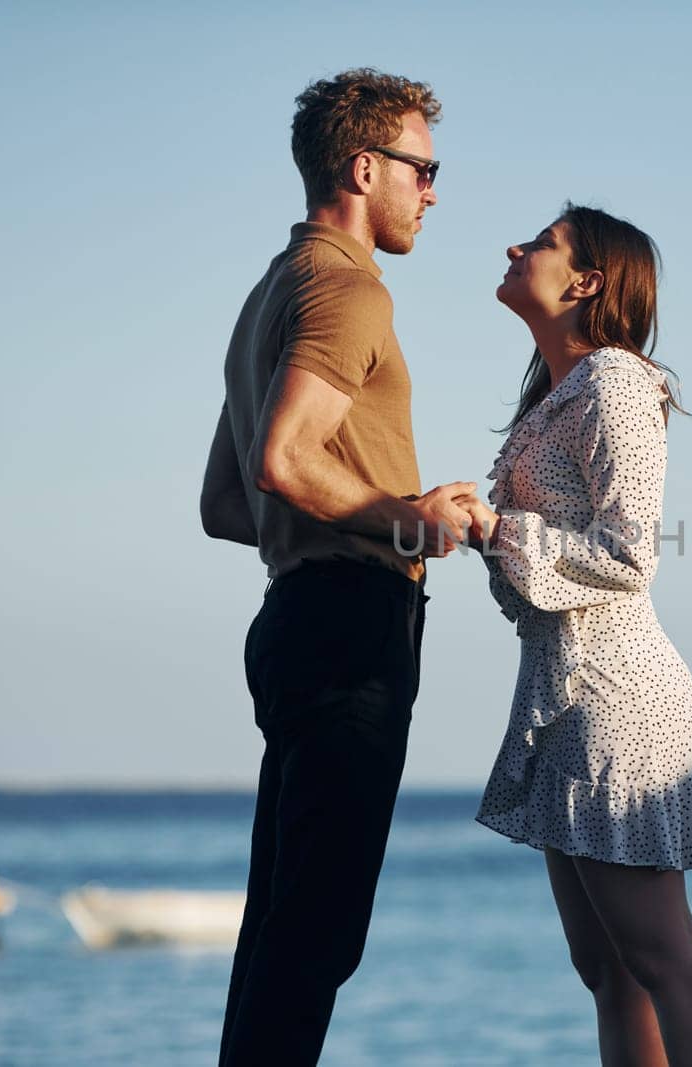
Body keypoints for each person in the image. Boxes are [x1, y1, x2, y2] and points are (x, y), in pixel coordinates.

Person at [199, 68, 477, 1067]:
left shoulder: (274, 286)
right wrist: (410, 518)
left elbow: (228, 503)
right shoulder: (349, 288)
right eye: (424, 169)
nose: (434, 192)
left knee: (279, 923)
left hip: (295, 618)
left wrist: (335, 512)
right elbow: (279, 465)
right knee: (318, 929)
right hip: (352, 624)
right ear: (367, 167)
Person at [463, 204, 692, 1066]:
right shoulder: (557, 394)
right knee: (607, 969)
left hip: (618, 694)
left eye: (539, 244)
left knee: (663, 955)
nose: (515, 247)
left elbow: (628, 553)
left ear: (585, 281)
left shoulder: (615, 381)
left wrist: (492, 529)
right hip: (562, 691)